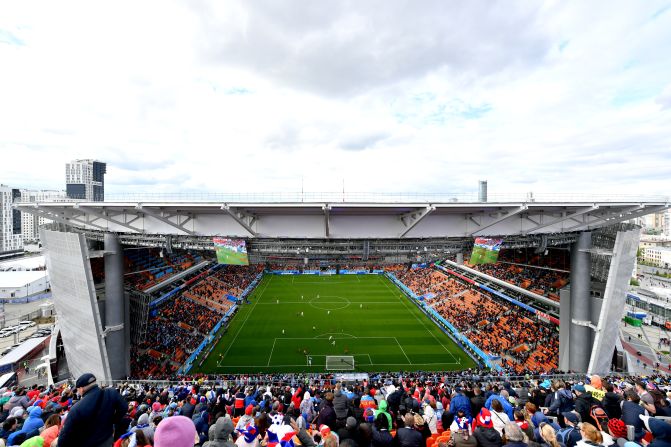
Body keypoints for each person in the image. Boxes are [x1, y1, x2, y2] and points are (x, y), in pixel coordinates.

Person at [57, 373, 128, 447]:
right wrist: (113, 420)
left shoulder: (76, 409)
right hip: (108, 440)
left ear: (81, 389)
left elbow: (63, 439)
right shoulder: (111, 393)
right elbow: (124, 407)